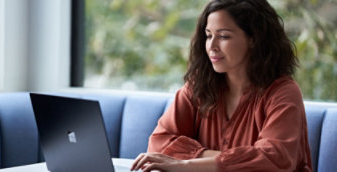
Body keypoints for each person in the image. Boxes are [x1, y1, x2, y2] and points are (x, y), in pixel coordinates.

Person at [130, 0, 312, 171]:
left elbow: (274, 159)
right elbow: (159, 141)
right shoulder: (199, 85)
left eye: (224, 36)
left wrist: (187, 165)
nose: (212, 46)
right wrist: (232, 160)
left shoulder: (283, 92)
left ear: (254, 39)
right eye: (209, 36)